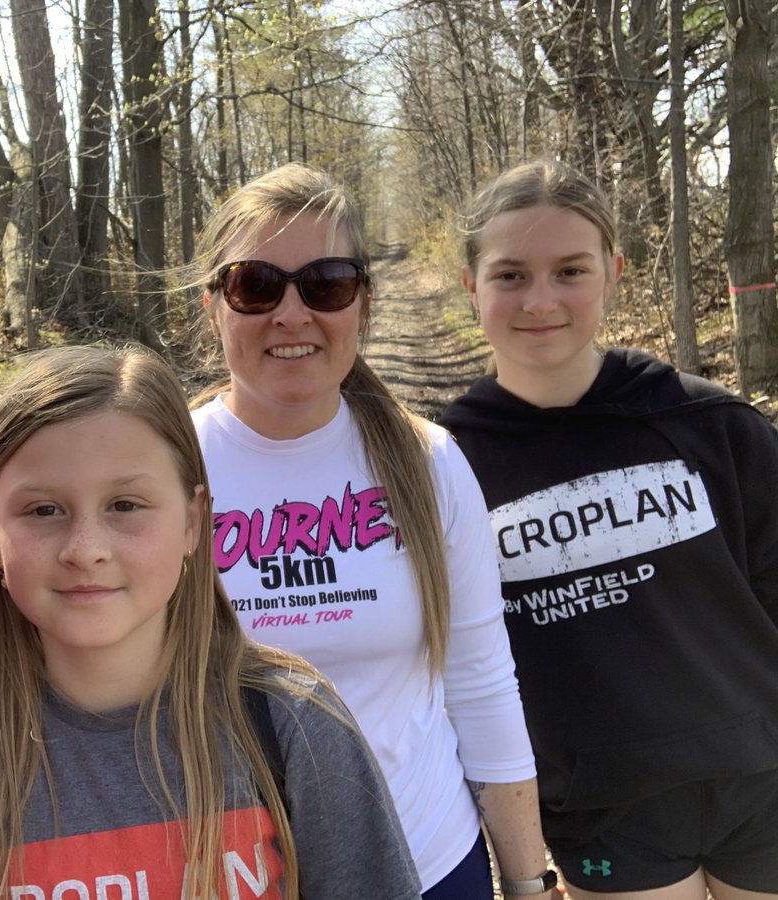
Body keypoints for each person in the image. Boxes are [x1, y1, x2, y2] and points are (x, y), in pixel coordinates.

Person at [191, 163, 560, 900]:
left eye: (325, 282)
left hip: (426, 863)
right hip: (231, 874)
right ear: (213, 306)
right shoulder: (162, 469)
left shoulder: (429, 464)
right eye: (255, 285)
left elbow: (481, 681)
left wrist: (527, 879)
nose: (291, 314)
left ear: (362, 302)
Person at [0, 344, 421, 900]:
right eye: (43, 510)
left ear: (194, 521)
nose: (85, 549)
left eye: (125, 505)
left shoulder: (292, 723)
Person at [440, 161, 778, 900]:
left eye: (569, 270)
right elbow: (459, 667)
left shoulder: (711, 424)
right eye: (509, 276)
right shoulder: (444, 466)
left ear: (613, 272)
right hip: (603, 812)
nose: (540, 301)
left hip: (763, 782)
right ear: (471, 285)